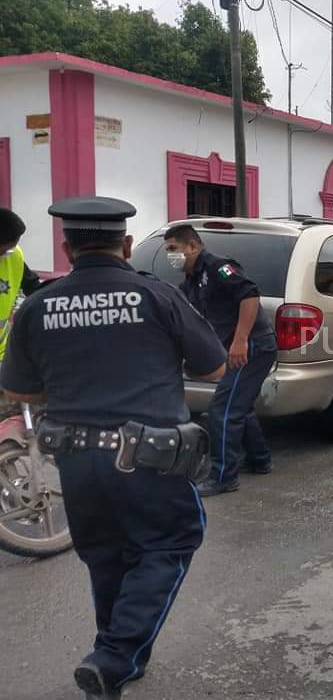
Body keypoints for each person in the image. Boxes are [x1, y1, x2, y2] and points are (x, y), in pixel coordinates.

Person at [0, 197, 226, 699]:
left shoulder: (38, 306)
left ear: (66, 247)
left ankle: (117, 658)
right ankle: (116, 655)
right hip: (149, 459)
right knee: (171, 541)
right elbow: (213, 367)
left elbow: (21, 391)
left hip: (77, 461)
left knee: (106, 556)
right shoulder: (157, 295)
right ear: (125, 245)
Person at [163, 225, 278, 497]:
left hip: (253, 346)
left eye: (173, 249)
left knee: (222, 409)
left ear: (192, 246)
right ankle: (260, 460)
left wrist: (240, 342)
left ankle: (223, 476)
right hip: (234, 348)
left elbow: (249, 295)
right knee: (239, 404)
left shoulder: (218, 267)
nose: (170, 255)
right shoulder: (190, 282)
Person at [0, 208, 44, 359]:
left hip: (2, 353)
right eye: (5, 248)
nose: (10, 251)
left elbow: (33, 287)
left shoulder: (14, 255)